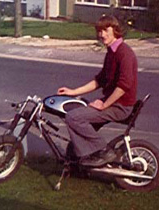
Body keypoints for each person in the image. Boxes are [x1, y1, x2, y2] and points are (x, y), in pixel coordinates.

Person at [57, 15, 138, 167]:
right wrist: (73, 92)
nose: (102, 35)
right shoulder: (112, 52)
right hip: (114, 103)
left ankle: (103, 151)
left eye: (106, 30)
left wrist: (104, 104)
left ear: (115, 30)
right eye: (99, 31)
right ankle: (80, 157)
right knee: (79, 109)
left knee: (73, 117)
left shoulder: (124, 53)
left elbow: (124, 86)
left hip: (120, 106)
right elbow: (99, 80)